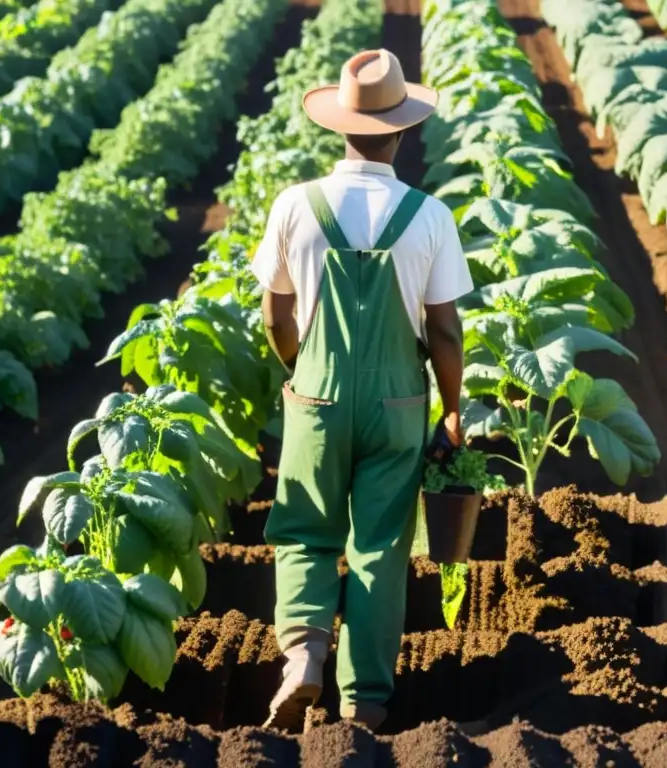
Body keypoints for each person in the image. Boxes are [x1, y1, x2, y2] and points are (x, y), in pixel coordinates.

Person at [250, 49, 473, 732]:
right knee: (380, 542)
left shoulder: (297, 206)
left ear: (339, 127)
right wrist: (454, 409)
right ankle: (365, 702)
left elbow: (274, 315)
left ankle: (305, 656)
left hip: (316, 395)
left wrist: (300, 369)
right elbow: (445, 333)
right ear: (402, 133)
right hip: (399, 403)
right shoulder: (429, 216)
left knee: (305, 530)